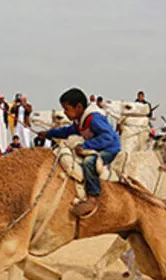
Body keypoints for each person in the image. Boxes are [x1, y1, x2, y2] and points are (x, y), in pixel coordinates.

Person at [44, 87, 121, 218]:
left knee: (89, 162)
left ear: (78, 107)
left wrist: (85, 146)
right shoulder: (80, 121)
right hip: (96, 147)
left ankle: (92, 197)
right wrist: (49, 133)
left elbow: (107, 137)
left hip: (108, 148)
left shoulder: (94, 118)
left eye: (67, 109)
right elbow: (67, 131)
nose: (65, 112)